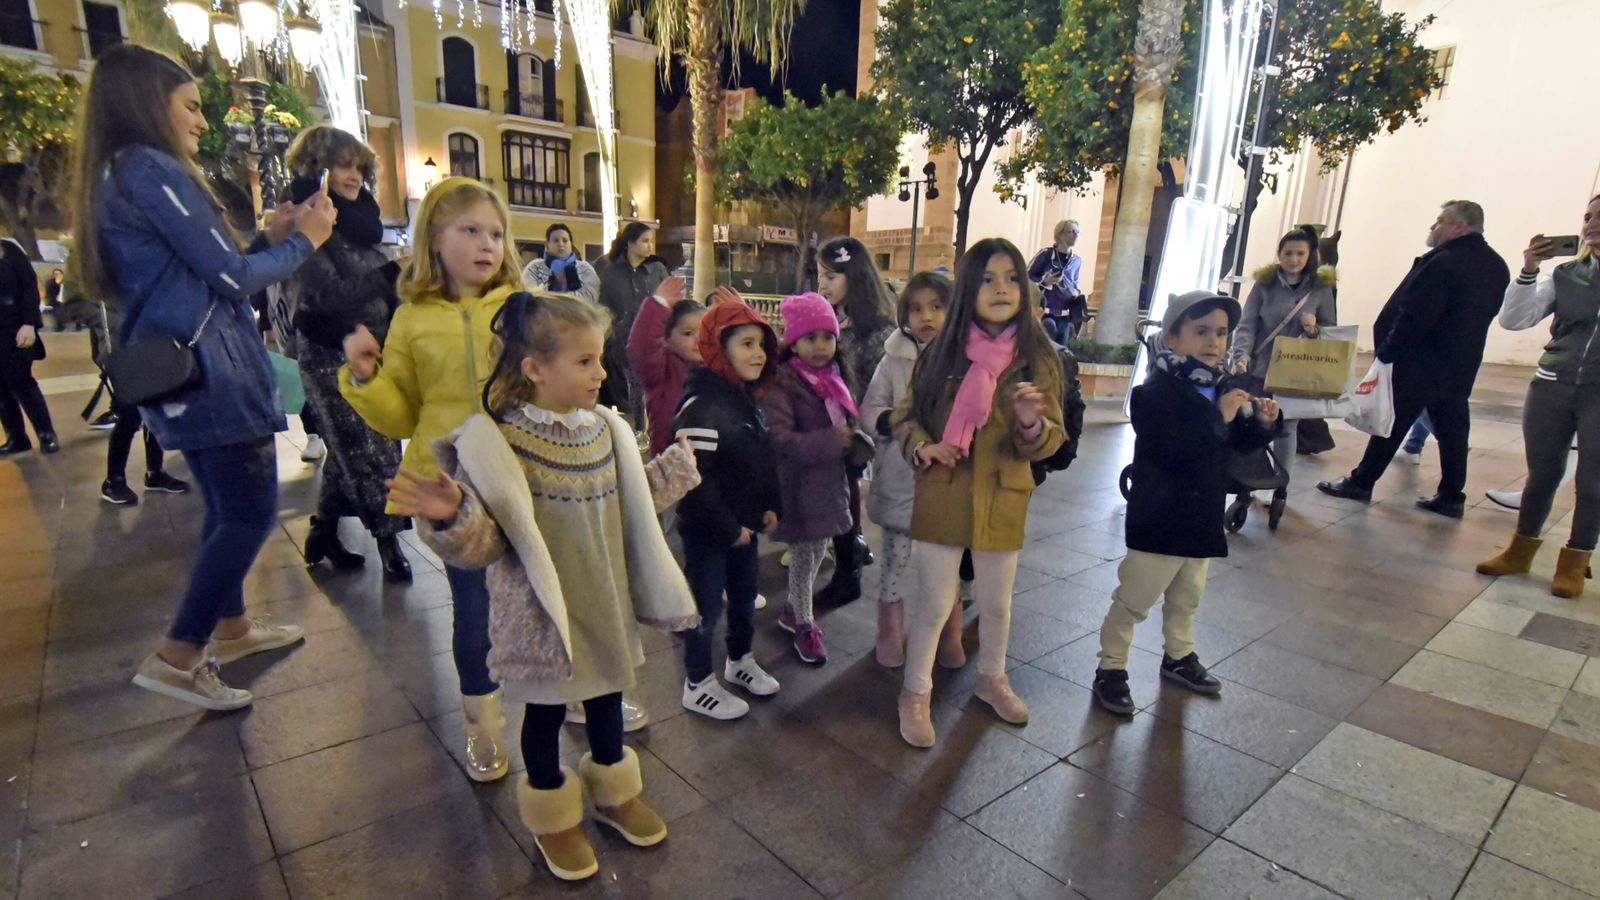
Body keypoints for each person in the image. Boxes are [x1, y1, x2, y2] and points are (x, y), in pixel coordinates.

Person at [391, 291, 699, 882]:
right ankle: (553, 814)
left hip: (602, 601)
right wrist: (453, 515)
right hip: (540, 616)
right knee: (543, 715)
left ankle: (613, 792)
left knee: (607, 698)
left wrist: (673, 470)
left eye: (599, 359)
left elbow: (630, 501)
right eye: (585, 362)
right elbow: (488, 543)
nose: (601, 373)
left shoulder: (604, 428)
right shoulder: (499, 443)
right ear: (535, 369)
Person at [72, 44, 335, 709]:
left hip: (192, 368)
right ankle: (179, 655)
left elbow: (206, 273)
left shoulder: (117, 174)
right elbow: (234, 281)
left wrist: (267, 240)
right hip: (211, 372)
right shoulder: (150, 170)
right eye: (189, 106)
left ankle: (234, 628)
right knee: (248, 515)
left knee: (225, 509)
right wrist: (305, 240)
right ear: (147, 103)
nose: (200, 121)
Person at [340, 176, 524, 780]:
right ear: (434, 241)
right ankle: (484, 726)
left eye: (495, 233)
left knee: (553, 593)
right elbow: (403, 413)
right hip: (450, 487)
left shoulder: (522, 308)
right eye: (470, 230)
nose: (486, 244)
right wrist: (367, 380)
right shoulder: (412, 319)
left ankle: (576, 693)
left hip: (522, 474)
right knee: (473, 611)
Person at [894, 238, 1065, 748]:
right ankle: (915, 691)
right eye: (988, 278)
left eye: (1012, 277)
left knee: (996, 602)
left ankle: (992, 678)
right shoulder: (941, 352)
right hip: (944, 491)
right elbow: (905, 416)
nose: (1001, 289)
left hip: (1003, 492)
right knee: (934, 602)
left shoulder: (1038, 357)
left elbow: (1053, 434)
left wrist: (1033, 425)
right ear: (968, 288)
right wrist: (924, 447)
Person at [1092, 291, 1280, 716]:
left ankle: (1180, 655)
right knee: (1135, 599)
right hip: (1160, 518)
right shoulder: (1153, 394)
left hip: (1201, 518)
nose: (1213, 341)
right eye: (1200, 332)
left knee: (1187, 596)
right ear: (1172, 338)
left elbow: (1230, 446)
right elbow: (1173, 447)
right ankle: (1112, 667)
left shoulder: (1219, 388)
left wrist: (1262, 424)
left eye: (1220, 333)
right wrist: (1221, 418)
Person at [1318, 201, 1511, 517]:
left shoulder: (1445, 262)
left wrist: (1389, 351)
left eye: (1440, 221)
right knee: (1453, 429)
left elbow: (1416, 315)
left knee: (1393, 422)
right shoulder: (1495, 265)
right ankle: (1451, 494)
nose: (1434, 227)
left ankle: (1361, 482)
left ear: (1460, 226)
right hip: (1461, 362)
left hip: (1421, 360)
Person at [279, 125, 412, 582]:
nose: (352, 174)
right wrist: (390, 274)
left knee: (354, 449)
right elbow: (320, 298)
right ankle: (389, 541)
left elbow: (380, 287)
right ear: (317, 167)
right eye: (341, 164)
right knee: (371, 451)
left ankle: (323, 531)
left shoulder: (364, 221)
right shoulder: (310, 220)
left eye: (358, 165)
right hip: (330, 351)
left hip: (376, 348)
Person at [1478, 197, 1600, 598]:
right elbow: (1514, 320)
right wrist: (1529, 271)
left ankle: (1576, 558)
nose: (1591, 224)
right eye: (1588, 217)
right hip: (1552, 384)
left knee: (1593, 481)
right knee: (1542, 474)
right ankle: (1520, 550)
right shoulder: (1566, 274)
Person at [673, 300, 784, 720]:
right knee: (704, 608)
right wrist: (728, 528)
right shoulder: (701, 405)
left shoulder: (747, 399)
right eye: (747, 344)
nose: (758, 354)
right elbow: (693, 481)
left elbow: (763, 457)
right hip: (709, 533)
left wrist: (771, 505)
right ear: (718, 347)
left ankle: (739, 661)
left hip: (743, 529)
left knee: (741, 599)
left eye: (762, 345)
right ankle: (697, 682)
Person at [765, 292, 864, 665]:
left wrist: (854, 440)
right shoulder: (785, 383)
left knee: (819, 551)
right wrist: (831, 441)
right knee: (806, 559)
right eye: (810, 338)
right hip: (800, 488)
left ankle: (793, 610)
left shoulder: (833, 378)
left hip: (829, 483)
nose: (821, 346)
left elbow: (842, 421)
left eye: (828, 337)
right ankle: (803, 622)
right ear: (794, 341)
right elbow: (780, 440)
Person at [862, 272, 954, 668]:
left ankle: (949, 630)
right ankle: (889, 630)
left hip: (950, 481)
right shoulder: (893, 357)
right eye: (915, 309)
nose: (926, 317)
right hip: (902, 476)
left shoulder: (965, 358)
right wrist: (891, 424)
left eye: (936, 306)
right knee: (895, 561)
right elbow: (870, 408)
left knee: (947, 567)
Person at [814, 236, 896, 605]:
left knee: (844, 502)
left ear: (854, 275)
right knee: (839, 502)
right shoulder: (835, 319)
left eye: (831, 276)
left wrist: (857, 429)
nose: (823, 284)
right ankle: (848, 559)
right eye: (820, 276)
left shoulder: (877, 329)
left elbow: (880, 390)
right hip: (831, 431)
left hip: (856, 435)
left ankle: (849, 574)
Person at [1230, 227, 1336, 504]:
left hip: (1295, 373)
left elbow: (1331, 331)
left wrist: (1313, 330)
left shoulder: (1320, 288)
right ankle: (1247, 485)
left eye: (1300, 253)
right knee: (1255, 425)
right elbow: (1248, 323)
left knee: (1286, 428)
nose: (1293, 259)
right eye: (1288, 253)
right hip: (1260, 368)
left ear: (1310, 255)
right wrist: (1241, 354)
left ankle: (1281, 487)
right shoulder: (1265, 283)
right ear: (1279, 254)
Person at [96, 300, 188, 505]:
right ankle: (114, 479)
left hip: (152, 345)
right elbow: (76, 303)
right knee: (130, 416)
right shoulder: (93, 269)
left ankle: (155, 471)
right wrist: (124, 323)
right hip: (122, 348)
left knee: (155, 411)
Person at [596, 222, 667, 424]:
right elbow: (604, 306)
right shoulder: (609, 271)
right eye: (644, 241)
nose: (649, 246)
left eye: (651, 241)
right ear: (630, 243)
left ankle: (645, 430)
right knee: (620, 393)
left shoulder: (657, 269)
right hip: (619, 341)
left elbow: (667, 302)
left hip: (652, 340)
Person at [625, 275, 696, 458]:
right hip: (668, 462)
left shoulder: (715, 368)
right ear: (666, 340)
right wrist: (658, 305)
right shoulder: (662, 372)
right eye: (688, 333)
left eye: (706, 333)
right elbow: (642, 348)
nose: (699, 340)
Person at [0, 236, 56, 455]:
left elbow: (29, 287)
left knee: (20, 379)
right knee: (0, 386)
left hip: (14, 327)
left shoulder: (11, 250)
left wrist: (29, 323)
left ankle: (46, 434)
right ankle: (16, 437)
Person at [1028, 219, 1087, 342]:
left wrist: (1075, 292)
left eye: (1077, 232)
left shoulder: (1077, 260)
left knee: (1062, 353)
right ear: (1060, 234)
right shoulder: (1046, 255)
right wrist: (1045, 282)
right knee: (1046, 349)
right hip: (1044, 313)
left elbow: (1075, 283)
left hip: (1065, 315)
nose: (1076, 235)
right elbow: (1026, 280)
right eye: (1071, 232)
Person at [521, 222, 599, 301]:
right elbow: (529, 296)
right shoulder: (535, 268)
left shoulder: (585, 269)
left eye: (565, 240)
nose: (561, 244)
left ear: (571, 244)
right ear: (548, 244)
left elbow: (590, 298)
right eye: (556, 240)